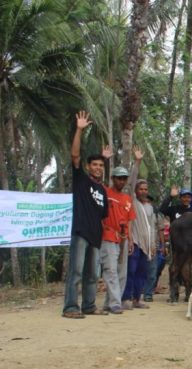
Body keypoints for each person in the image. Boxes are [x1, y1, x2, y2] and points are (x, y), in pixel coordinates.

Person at [62, 111, 109, 319]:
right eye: (95, 165)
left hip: (95, 235)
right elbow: (74, 156)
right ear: (88, 167)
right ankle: (71, 307)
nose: (98, 168)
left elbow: (103, 215)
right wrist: (80, 129)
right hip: (81, 232)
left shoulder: (102, 190)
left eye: (101, 165)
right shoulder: (81, 179)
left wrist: (106, 159)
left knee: (93, 274)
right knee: (77, 272)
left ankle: (89, 306)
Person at [122, 148, 156, 310]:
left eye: (145, 189)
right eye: (140, 189)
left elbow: (153, 228)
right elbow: (131, 180)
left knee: (142, 272)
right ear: (136, 191)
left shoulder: (149, 207)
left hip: (147, 245)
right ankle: (126, 298)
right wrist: (137, 162)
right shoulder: (133, 201)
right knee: (131, 270)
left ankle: (137, 298)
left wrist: (153, 245)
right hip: (134, 242)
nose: (143, 191)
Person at [99, 165, 136, 314]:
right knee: (111, 270)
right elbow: (97, 180)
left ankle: (110, 302)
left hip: (124, 238)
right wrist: (104, 159)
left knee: (122, 272)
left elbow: (130, 220)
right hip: (108, 236)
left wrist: (130, 238)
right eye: (118, 178)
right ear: (113, 179)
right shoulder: (106, 193)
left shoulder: (127, 199)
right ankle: (115, 303)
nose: (121, 181)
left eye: (124, 179)